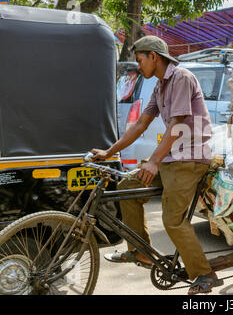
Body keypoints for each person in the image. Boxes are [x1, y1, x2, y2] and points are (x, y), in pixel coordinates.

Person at [90, 35, 222, 295]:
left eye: (140, 60)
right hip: (173, 157)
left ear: (154, 57)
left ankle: (205, 275)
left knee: (172, 220)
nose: (138, 66)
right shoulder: (160, 86)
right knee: (127, 186)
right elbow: (140, 124)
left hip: (190, 159)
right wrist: (108, 152)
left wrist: (153, 161)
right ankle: (140, 253)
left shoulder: (181, 78)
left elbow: (178, 125)